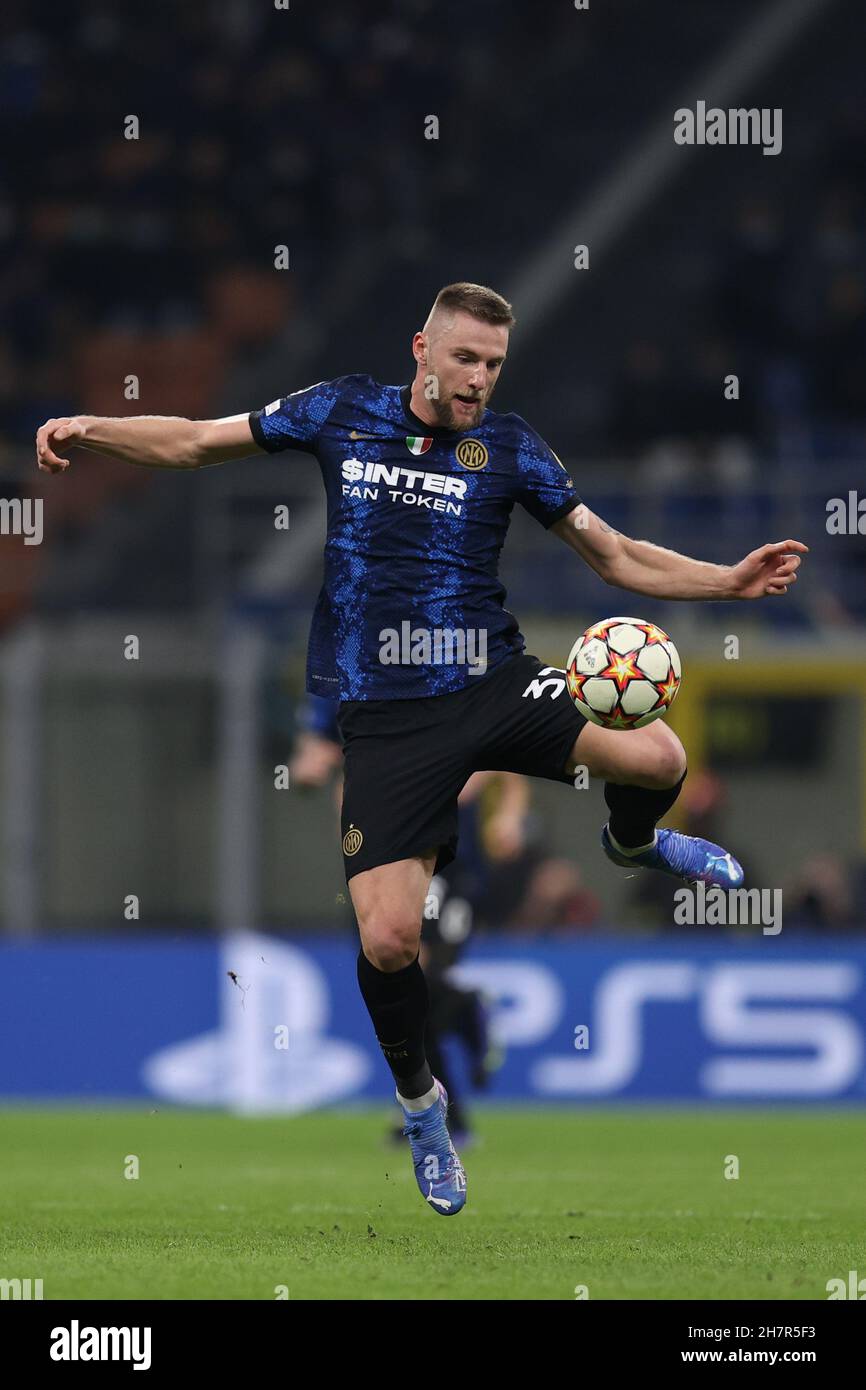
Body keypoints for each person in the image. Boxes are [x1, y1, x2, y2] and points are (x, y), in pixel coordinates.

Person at [36, 280, 808, 1217]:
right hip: (388, 719)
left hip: (492, 680)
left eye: (493, 364)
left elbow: (614, 556)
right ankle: (423, 1107)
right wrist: (92, 425)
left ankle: (636, 843)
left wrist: (728, 582)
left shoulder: (512, 448)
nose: (479, 379)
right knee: (390, 937)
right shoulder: (341, 410)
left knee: (659, 762)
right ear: (423, 349)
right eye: (466, 359)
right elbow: (198, 441)